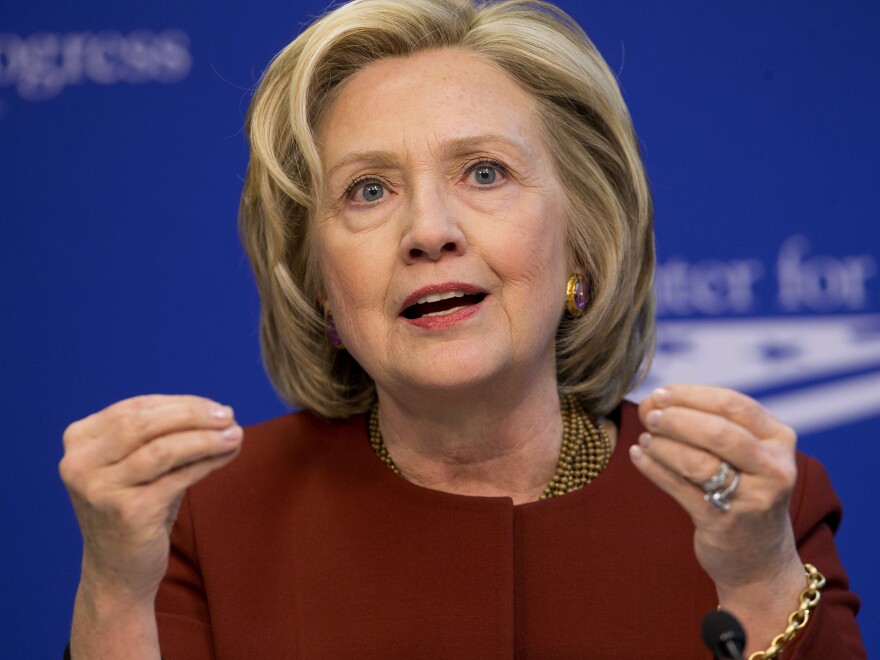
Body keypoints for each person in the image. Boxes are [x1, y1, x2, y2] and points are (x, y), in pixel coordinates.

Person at [60, 0, 865, 657]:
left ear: (584, 235)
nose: (428, 230)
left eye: (485, 173)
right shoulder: (206, 518)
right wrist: (115, 589)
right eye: (368, 191)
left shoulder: (749, 505)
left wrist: (759, 579)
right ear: (318, 281)